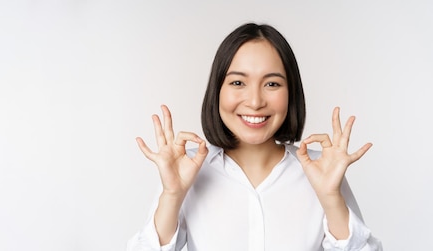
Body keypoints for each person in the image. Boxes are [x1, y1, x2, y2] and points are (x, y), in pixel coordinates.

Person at [126, 23, 383, 251]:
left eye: (272, 84)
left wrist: (331, 198)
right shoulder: (185, 170)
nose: (255, 101)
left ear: (291, 93)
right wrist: (172, 195)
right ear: (217, 90)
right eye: (238, 83)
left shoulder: (321, 171)